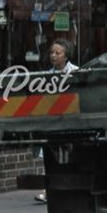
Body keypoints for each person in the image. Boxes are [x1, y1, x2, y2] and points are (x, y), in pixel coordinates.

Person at [36, 39, 78, 203]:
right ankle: (48, 191)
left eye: (57, 53)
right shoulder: (47, 75)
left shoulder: (75, 72)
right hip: (52, 121)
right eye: (52, 53)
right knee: (50, 156)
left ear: (66, 56)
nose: (53, 56)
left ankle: (68, 187)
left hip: (70, 120)